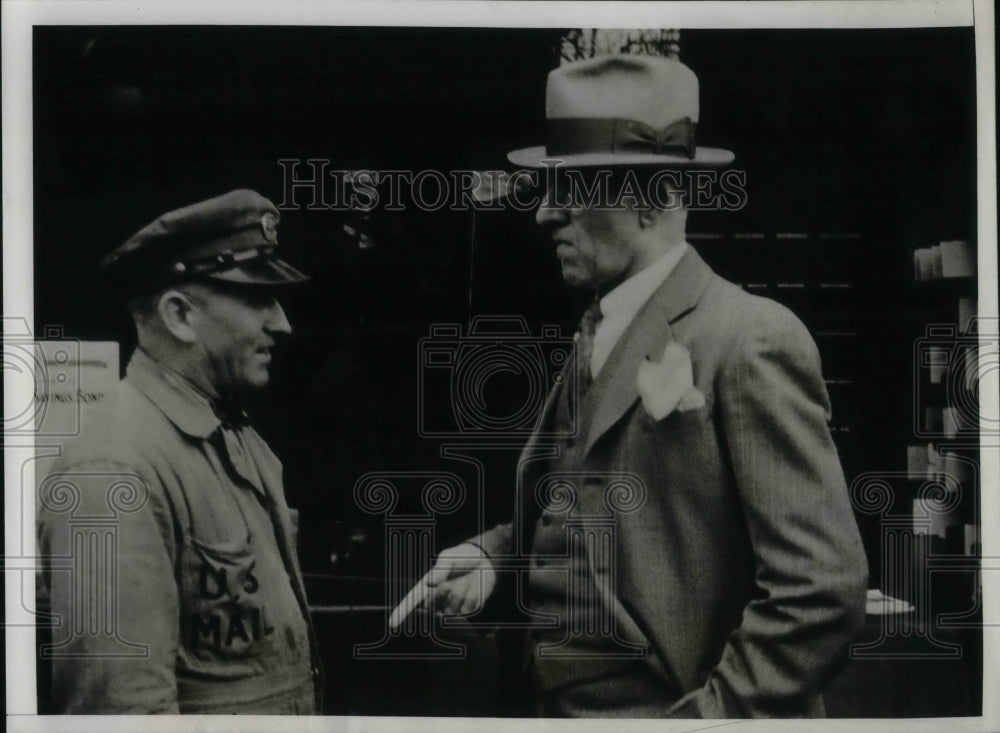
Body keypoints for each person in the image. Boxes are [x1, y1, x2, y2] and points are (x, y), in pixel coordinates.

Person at [391, 55, 868, 718]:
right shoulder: (598, 333)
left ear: (656, 197)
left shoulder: (750, 339)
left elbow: (821, 591)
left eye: (573, 187)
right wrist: (497, 558)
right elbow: (579, 507)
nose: (545, 215)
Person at [36, 189, 323, 714]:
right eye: (259, 299)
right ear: (179, 315)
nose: (282, 323)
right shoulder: (111, 470)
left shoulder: (237, 439)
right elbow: (121, 713)